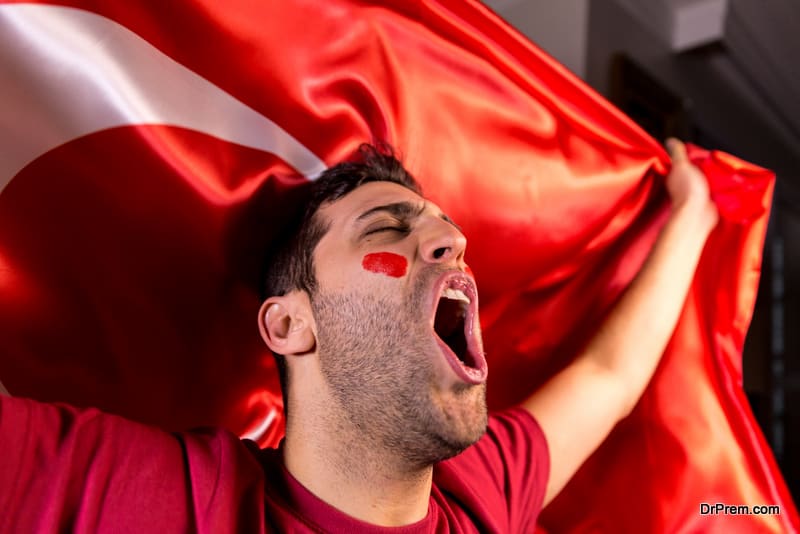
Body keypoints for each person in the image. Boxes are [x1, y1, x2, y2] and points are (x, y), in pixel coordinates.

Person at [0, 139, 717, 532]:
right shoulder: (162, 499)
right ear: (289, 324)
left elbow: (611, 377)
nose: (451, 239)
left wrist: (695, 217)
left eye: (446, 231)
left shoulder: (481, 493)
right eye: (388, 231)